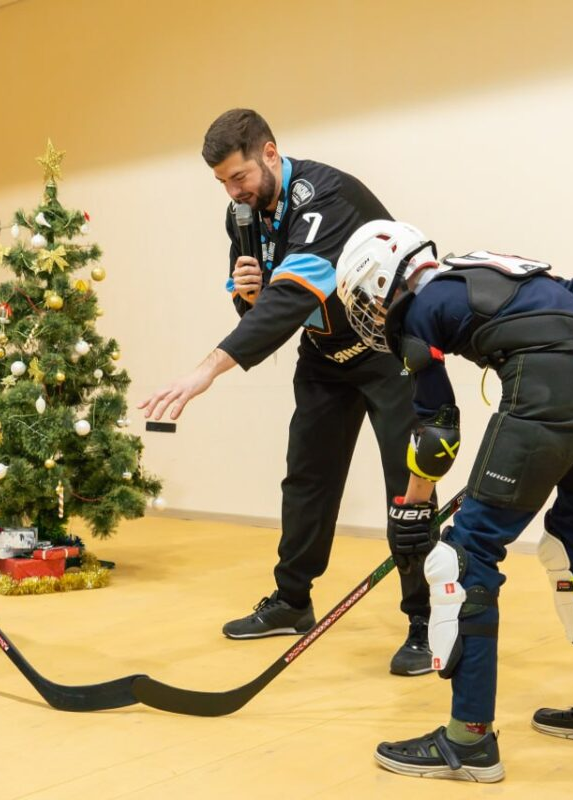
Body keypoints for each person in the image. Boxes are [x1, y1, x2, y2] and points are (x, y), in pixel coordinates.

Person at [333, 220, 573, 782]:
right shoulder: (478, 266)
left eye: (364, 302)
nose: (368, 315)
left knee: (465, 555)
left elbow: (436, 433)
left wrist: (411, 508)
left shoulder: (420, 309)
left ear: (382, 284)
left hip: (552, 392)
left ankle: (468, 741)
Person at [138, 109, 431, 675]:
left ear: (269, 153)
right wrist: (242, 294)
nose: (233, 191)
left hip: (389, 353)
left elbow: (289, 302)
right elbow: (257, 301)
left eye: (239, 175)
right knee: (306, 481)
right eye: (222, 181)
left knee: (408, 487)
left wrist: (206, 371)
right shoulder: (241, 215)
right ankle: (293, 601)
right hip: (325, 358)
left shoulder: (326, 197)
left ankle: (425, 621)